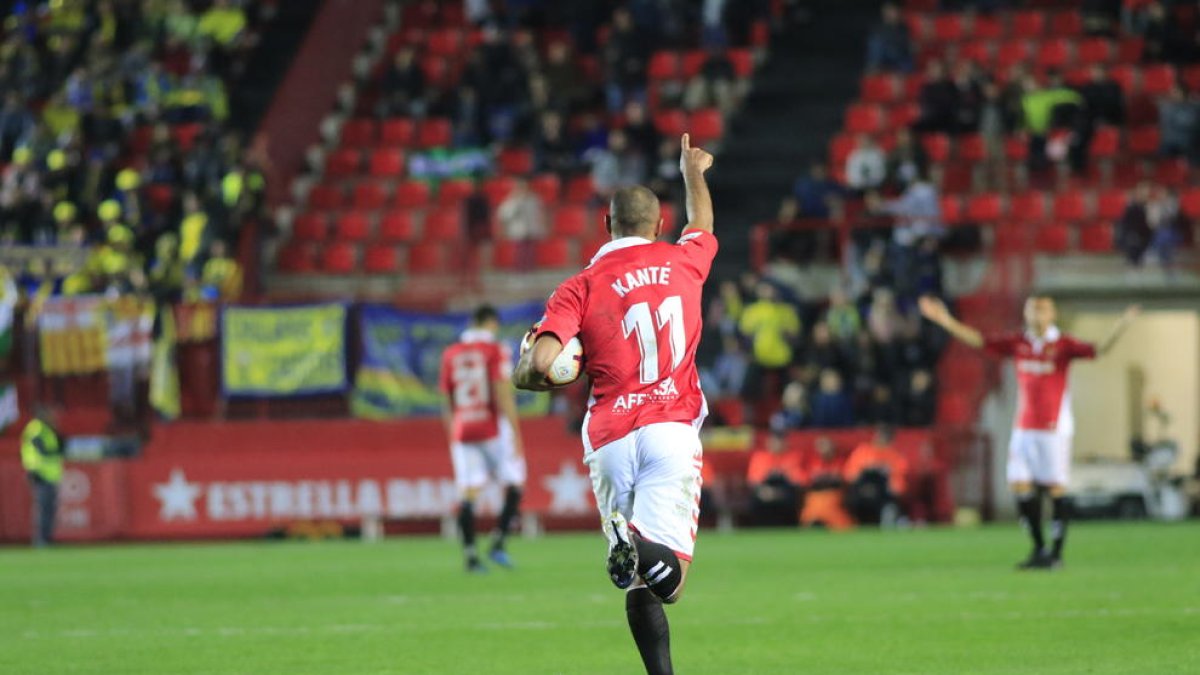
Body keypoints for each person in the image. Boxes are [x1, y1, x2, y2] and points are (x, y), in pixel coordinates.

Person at [513, 133, 716, 675]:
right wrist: (692, 170)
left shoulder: (579, 286)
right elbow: (704, 225)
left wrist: (528, 368)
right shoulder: (686, 262)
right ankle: (634, 542)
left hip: (608, 435)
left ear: (607, 226)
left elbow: (540, 366)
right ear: (658, 223)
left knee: (638, 581)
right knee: (668, 580)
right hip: (671, 426)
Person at [919, 295, 1139, 569]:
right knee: (1020, 485)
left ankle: (1056, 554)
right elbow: (979, 340)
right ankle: (1039, 549)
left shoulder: (1063, 345)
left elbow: (1100, 349)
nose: (1036, 314)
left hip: (1053, 429)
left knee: (1054, 488)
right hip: (1024, 428)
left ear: (1052, 314)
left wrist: (1122, 324)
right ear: (1025, 314)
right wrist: (945, 320)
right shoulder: (1019, 343)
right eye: (1032, 309)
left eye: (1042, 309)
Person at [439, 305, 527, 573]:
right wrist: (517, 433)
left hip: (463, 428)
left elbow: (445, 397)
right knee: (515, 482)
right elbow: (502, 392)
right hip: (492, 427)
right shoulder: (495, 350)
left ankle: (470, 556)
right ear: (491, 323)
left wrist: (452, 434)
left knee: (468, 493)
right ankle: (498, 542)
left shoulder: (451, 353)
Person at [843, 425, 909, 525]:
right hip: (861, 492)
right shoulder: (862, 452)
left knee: (889, 501)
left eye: (886, 436)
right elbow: (849, 475)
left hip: (883, 495)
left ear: (891, 439)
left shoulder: (896, 457)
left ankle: (890, 518)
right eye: (881, 435)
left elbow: (899, 485)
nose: (882, 439)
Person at [21, 406, 64, 547]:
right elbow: (42, 449)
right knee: (43, 508)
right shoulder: (36, 429)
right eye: (49, 414)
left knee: (49, 509)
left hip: (49, 475)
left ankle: (47, 538)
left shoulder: (46, 429)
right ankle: (41, 540)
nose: (52, 417)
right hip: (39, 473)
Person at [746, 429, 804, 526]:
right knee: (757, 499)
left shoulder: (794, 457)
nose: (776, 444)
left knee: (791, 497)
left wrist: (777, 493)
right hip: (764, 493)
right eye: (773, 442)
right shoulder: (759, 457)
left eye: (779, 441)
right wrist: (768, 492)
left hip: (785, 494)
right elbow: (753, 480)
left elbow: (798, 481)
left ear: (785, 443)